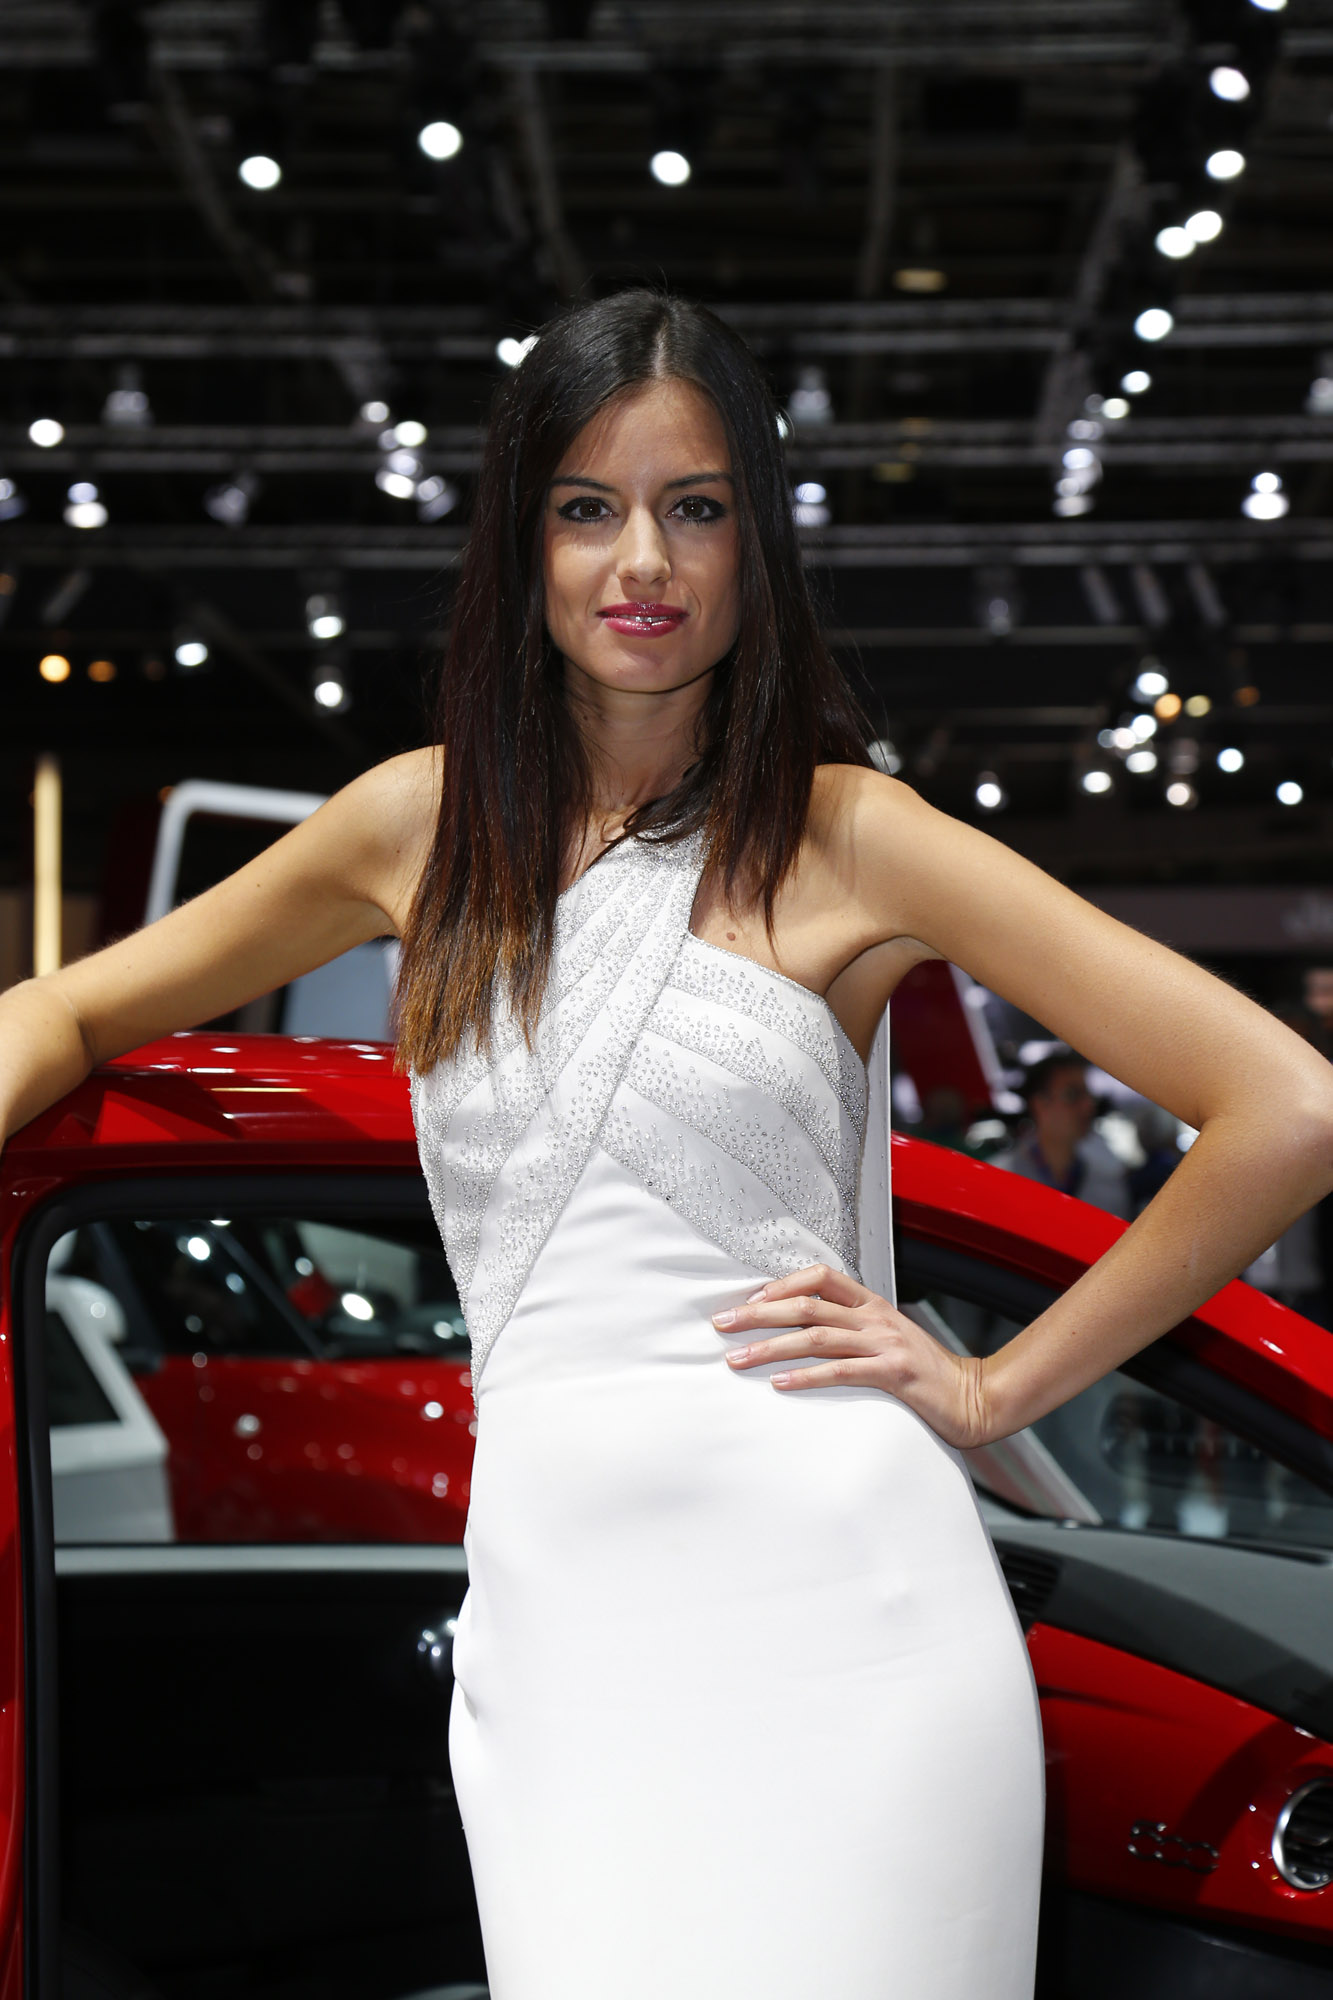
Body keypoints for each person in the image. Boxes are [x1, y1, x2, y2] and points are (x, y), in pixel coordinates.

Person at [3, 288, 1332, 2000]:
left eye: (693, 507)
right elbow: (72, 1015)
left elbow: (1283, 1108)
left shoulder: (852, 835)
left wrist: (997, 1392)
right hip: (564, 1650)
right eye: (587, 507)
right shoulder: (414, 828)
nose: (642, 559)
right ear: (524, 543)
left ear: (751, 545)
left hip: (853, 1630)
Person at [992, 1048, 1132, 1218]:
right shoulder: (999, 1179)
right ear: (1040, 1103)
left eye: (1087, 1095)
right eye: (1073, 1095)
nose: (1088, 1106)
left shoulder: (1110, 1180)